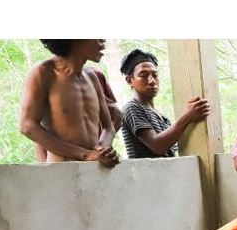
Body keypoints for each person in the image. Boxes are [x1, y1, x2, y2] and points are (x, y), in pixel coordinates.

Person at [20, 39, 119, 167]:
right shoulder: (44, 72)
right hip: (60, 172)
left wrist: (102, 151)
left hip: (93, 171)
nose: (103, 39)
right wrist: (85, 154)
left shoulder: (92, 77)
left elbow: (109, 127)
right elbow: (27, 126)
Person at [118, 48, 210, 159]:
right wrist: (187, 117)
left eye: (155, 75)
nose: (152, 81)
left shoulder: (161, 116)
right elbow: (158, 146)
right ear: (130, 81)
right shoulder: (132, 108)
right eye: (143, 75)